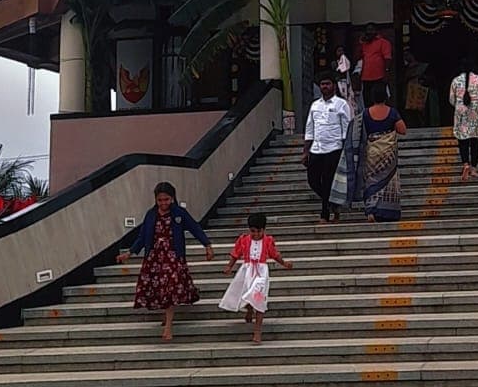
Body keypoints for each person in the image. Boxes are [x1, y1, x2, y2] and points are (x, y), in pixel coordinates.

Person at [121, 181, 214, 342]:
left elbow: (195, 228)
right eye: (160, 200)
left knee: (170, 288)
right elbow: (142, 236)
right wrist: (130, 252)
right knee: (160, 289)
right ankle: (166, 316)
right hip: (155, 257)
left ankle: (169, 326)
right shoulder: (151, 215)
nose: (163, 203)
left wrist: (207, 245)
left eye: (167, 199)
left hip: (173, 256)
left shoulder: (179, 213)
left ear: (172, 198)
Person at [218, 210, 293, 343]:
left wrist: (284, 263)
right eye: (253, 231)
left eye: (259, 231)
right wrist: (229, 266)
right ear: (249, 230)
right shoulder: (244, 240)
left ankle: (257, 330)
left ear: (264, 230)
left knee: (259, 298)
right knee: (246, 294)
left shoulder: (268, 241)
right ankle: (249, 309)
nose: (256, 234)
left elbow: (275, 254)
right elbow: (236, 254)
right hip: (247, 271)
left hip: (261, 273)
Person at [302, 74, 352, 224]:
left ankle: (324, 214)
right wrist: (306, 151)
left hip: (334, 148)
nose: (324, 86)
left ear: (334, 86)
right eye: (322, 84)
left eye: (327, 83)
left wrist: (346, 148)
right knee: (312, 180)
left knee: (328, 180)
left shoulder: (341, 104)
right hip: (316, 148)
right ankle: (333, 203)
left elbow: (347, 127)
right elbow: (310, 128)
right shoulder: (315, 105)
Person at [361, 81, 407, 221]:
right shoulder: (392, 112)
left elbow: (361, 132)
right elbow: (402, 130)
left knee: (371, 180)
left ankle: (371, 210)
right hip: (388, 153)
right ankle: (387, 212)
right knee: (388, 180)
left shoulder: (365, 113)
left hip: (372, 152)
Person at [449, 57, 478, 182]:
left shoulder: (455, 81)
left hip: (461, 112)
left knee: (462, 140)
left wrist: (460, 105)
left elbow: (451, 100)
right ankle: (473, 169)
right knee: (475, 141)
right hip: (476, 111)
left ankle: (465, 164)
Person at [357, 25, 393, 97]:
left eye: (371, 30)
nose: (369, 32)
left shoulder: (383, 42)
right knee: (367, 98)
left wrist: (387, 72)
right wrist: (361, 43)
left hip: (379, 76)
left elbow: (387, 58)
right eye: (367, 30)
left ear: (376, 31)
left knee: (379, 97)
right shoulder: (364, 43)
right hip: (365, 76)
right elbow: (357, 56)